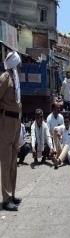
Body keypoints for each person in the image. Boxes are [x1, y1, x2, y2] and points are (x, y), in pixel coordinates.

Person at [0, 51, 22, 211]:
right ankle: (6, 198)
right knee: (6, 161)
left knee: (14, 161)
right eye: (19, 63)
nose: (21, 66)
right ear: (14, 64)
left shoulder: (15, 78)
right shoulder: (5, 78)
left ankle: (12, 194)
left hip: (16, 122)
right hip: (6, 121)